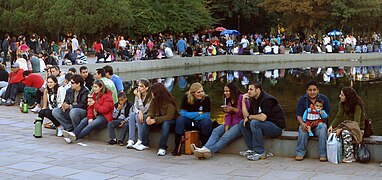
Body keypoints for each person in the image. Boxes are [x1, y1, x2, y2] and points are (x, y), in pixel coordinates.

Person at [192, 83, 249, 159]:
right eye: (224, 91)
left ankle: (208, 151)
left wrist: (233, 109)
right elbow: (228, 116)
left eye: (227, 91)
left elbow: (246, 115)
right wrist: (226, 128)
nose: (225, 93)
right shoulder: (228, 101)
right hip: (231, 123)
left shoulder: (242, 98)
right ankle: (204, 148)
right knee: (216, 131)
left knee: (225, 138)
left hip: (240, 124)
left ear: (232, 91)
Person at [239, 81, 286, 161]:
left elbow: (263, 117)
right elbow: (246, 117)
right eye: (248, 89)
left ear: (257, 90)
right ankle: (252, 149)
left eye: (251, 89)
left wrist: (249, 117)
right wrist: (243, 102)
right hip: (265, 125)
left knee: (254, 123)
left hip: (276, 127)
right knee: (242, 123)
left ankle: (260, 152)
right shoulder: (254, 100)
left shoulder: (267, 100)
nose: (248, 91)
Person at [173, 82, 212, 156]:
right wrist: (197, 113)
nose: (201, 93)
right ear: (193, 93)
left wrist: (194, 116)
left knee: (207, 122)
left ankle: (205, 146)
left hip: (201, 121)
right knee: (180, 120)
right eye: (198, 92)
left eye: (202, 91)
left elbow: (206, 114)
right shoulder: (186, 97)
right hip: (188, 121)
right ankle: (177, 147)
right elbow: (182, 113)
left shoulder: (206, 98)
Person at [295, 80, 330, 161]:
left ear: (318, 90)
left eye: (314, 90)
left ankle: (323, 154)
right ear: (307, 91)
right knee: (302, 130)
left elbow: (327, 115)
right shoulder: (302, 100)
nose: (312, 92)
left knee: (323, 129)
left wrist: (320, 119)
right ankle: (300, 153)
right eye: (310, 90)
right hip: (307, 124)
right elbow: (299, 115)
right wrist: (302, 123)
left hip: (319, 124)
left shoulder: (324, 99)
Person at [327, 87, 364, 163]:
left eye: (342, 95)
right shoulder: (342, 103)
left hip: (358, 129)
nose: (340, 96)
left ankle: (349, 156)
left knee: (345, 133)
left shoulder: (357, 106)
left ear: (348, 97)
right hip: (349, 126)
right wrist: (331, 126)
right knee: (333, 132)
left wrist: (342, 129)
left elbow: (356, 124)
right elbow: (339, 116)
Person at [140, 83, 178, 156]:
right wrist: (149, 117)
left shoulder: (170, 101)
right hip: (159, 120)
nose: (152, 95)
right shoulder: (154, 100)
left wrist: (155, 120)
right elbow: (151, 110)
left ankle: (162, 147)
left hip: (170, 122)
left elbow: (170, 116)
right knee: (146, 120)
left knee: (166, 124)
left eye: (153, 93)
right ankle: (145, 143)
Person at [126, 78, 152, 150]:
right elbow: (135, 106)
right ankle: (131, 140)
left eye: (141, 86)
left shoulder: (150, 97)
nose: (139, 88)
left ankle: (140, 140)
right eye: (138, 86)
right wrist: (138, 111)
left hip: (148, 115)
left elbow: (144, 110)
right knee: (132, 115)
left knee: (137, 116)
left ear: (146, 88)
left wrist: (139, 98)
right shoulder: (137, 94)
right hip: (140, 113)